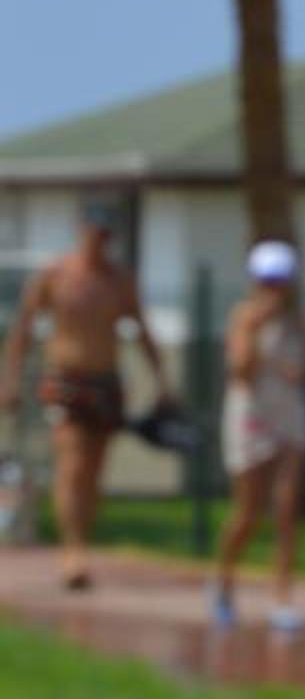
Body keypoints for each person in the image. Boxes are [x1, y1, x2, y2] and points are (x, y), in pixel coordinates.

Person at [0, 210, 171, 592]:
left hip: (105, 382)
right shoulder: (55, 276)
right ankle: (72, 551)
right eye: (95, 233)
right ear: (81, 232)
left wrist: (163, 381)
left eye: (106, 234)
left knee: (93, 470)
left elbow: (142, 331)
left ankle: (81, 541)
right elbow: (22, 330)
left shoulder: (119, 281)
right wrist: (9, 380)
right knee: (72, 462)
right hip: (65, 379)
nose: (100, 241)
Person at [213, 240, 305, 632]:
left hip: (289, 415)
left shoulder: (298, 320)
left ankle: (282, 597)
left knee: (287, 509)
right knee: (248, 511)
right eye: (268, 280)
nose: (275, 288)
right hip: (252, 417)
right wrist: (254, 330)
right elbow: (241, 371)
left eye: (280, 281)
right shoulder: (243, 317)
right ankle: (224, 584)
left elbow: (303, 368)